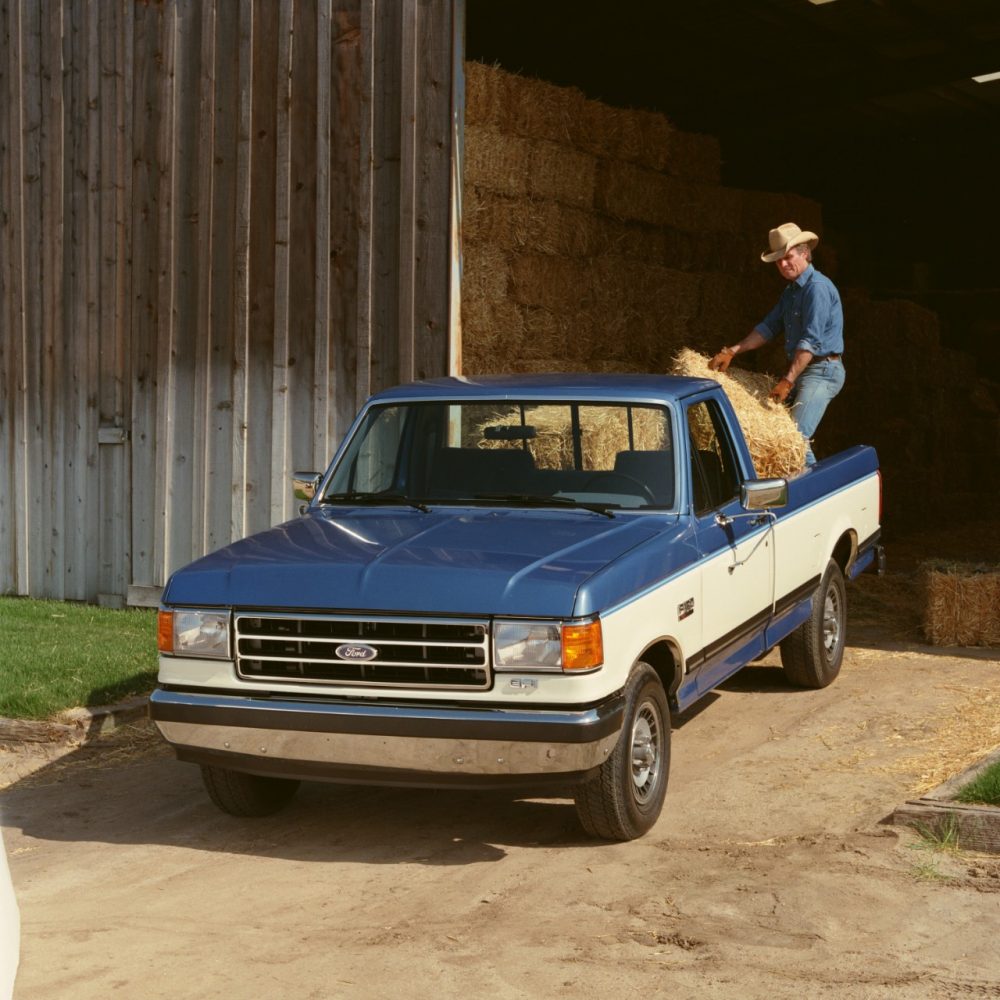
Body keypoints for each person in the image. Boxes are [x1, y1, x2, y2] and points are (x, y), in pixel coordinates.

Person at [709, 222, 845, 465]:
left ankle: (818, 495)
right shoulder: (791, 292)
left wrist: (788, 380)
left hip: (822, 371)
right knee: (774, 437)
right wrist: (732, 351)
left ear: (805, 253)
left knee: (793, 439)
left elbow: (811, 341)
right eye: (778, 261)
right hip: (804, 370)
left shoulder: (818, 289)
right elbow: (768, 327)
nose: (783, 265)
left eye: (788, 257)